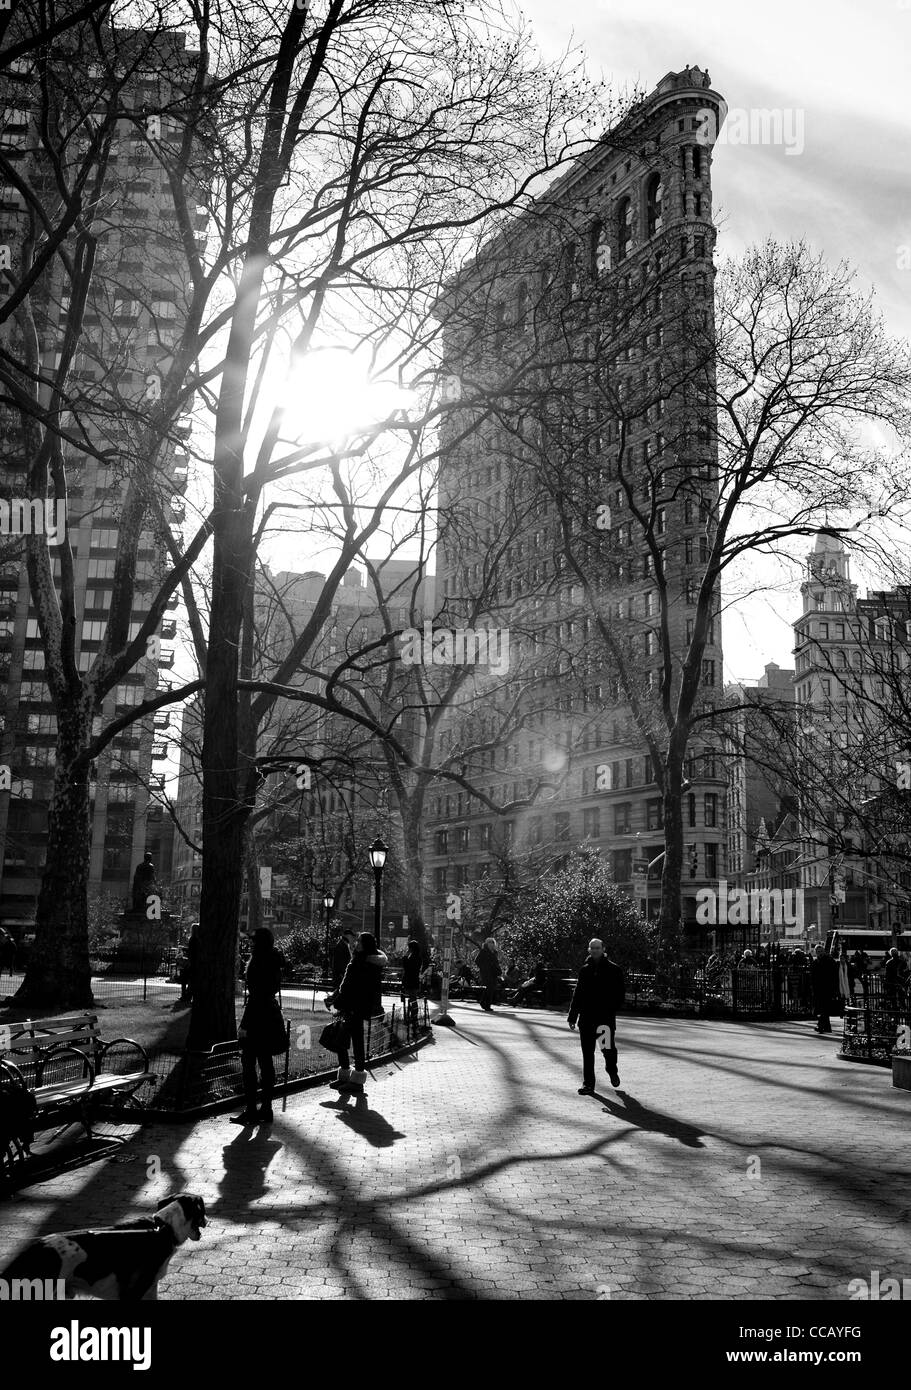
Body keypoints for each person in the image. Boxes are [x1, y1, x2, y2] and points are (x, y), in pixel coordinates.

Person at [231, 927, 285, 1126]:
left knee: (248, 1064)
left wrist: (244, 1024)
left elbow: (256, 995)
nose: (250, 943)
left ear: (259, 942)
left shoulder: (259, 962)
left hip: (257, 1017)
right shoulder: (274, 960)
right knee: (266, 1062)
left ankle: (252, 1109)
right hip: (270, 1015)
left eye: (253, 940)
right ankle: (267, 1108)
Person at [326, 931, 387, 1094]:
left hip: (354, 1008)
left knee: (351, 1043)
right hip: (353, 1007)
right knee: (345, 1041)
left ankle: (355, 1080)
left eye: (359, 942)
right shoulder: (364, 961)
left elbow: (353, 987)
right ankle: (347, 1076)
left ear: (365, 945)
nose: (356, 944)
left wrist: (338, 1002)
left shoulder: (364, 963)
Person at [568, 939, 625, 1094]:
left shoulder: (614, 969)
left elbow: (620, 995)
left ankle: (612, 1070)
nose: (594, 950)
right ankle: (588, 1084)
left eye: (597, 948)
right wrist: (572, 1016)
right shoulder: (584, 970)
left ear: (603, 949)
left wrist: (610, 1009)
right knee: (587, 1052)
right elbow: (578, 994)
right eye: (592, 948)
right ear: (589, 950)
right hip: (586, 1020)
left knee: (607, 1049)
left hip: (604, 1021)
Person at [810, 944, 839, 1034]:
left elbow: (834, 975)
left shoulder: (829, 961)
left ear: (824, 951)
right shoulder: (815, 962)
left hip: (827, 988)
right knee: (823, 1008)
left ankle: (820, 1025)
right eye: (818, 952)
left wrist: (834, 988)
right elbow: (812, 976)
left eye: (821, 951)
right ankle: (827, 1027)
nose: (819, 953)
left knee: (824, 1008)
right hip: (819, 988)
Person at [474, 937, 502, 1011]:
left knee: (491, 988)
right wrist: (484, 968)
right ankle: (486, 1005)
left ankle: (484, 1002)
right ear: (487, 944)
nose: (491, 944)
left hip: (494, 973)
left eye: (493, 942)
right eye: (489, 942)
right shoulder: (483, 951)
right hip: (486, 973)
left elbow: (496, 962)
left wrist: (498, 969)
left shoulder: (495, 952)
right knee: (489, 987)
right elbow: (477, 961)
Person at [400, 939, 422, 1028]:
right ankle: (412, 1016)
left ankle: (413, 1017)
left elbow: (406, 966)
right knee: (412, 999)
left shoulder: (412, 957)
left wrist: (405, 955)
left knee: (412, 999)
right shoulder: (418, 957)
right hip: (414, 980)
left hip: (410, 980)